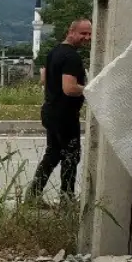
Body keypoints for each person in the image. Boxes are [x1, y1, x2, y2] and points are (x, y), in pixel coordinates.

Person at [28, 19, 92, 201]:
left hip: (50, 111)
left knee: (53, 153)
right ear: (71, 32)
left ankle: (33, 195)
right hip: (65, 115)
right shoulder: (71, 57)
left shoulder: (55, 52)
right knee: (72, 155)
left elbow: (44, 80)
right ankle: (67, 197)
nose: (87, 38)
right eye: (83, 33)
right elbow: (69, 88)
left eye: (89, 34)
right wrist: (90, 88)